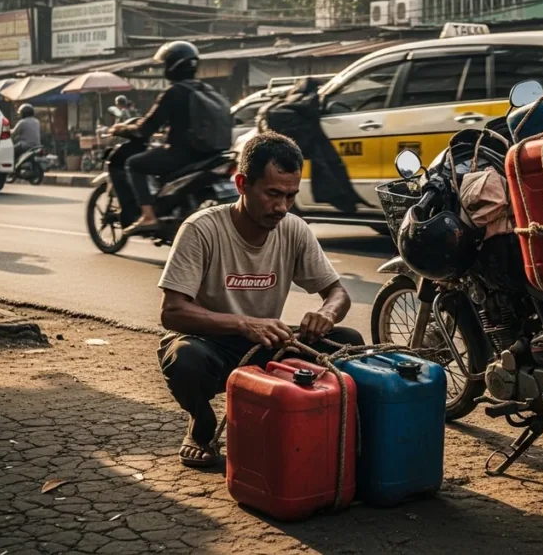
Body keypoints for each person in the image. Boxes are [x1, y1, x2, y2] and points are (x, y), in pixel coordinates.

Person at [156, 130, 363, 467]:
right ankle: (201, 422)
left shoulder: (294, 229)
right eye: (272, 194)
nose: (281, 207)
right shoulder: (201, 229)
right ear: (242, 184)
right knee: (184, 358)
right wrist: (243, 323)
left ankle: (318, 427)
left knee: (348, 342)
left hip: (268, 343)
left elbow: (338, 293)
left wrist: (327, 313)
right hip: (211, 343)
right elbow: (172, 312)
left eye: (291, 196)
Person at [111, 40, 229, 237]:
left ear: (173, 66)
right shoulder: (207, 89)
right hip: (211, 154)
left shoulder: (174, 92)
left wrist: (121, 129)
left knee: (133, 164)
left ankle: (148, 216)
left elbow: (145, 129)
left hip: (182, 154)